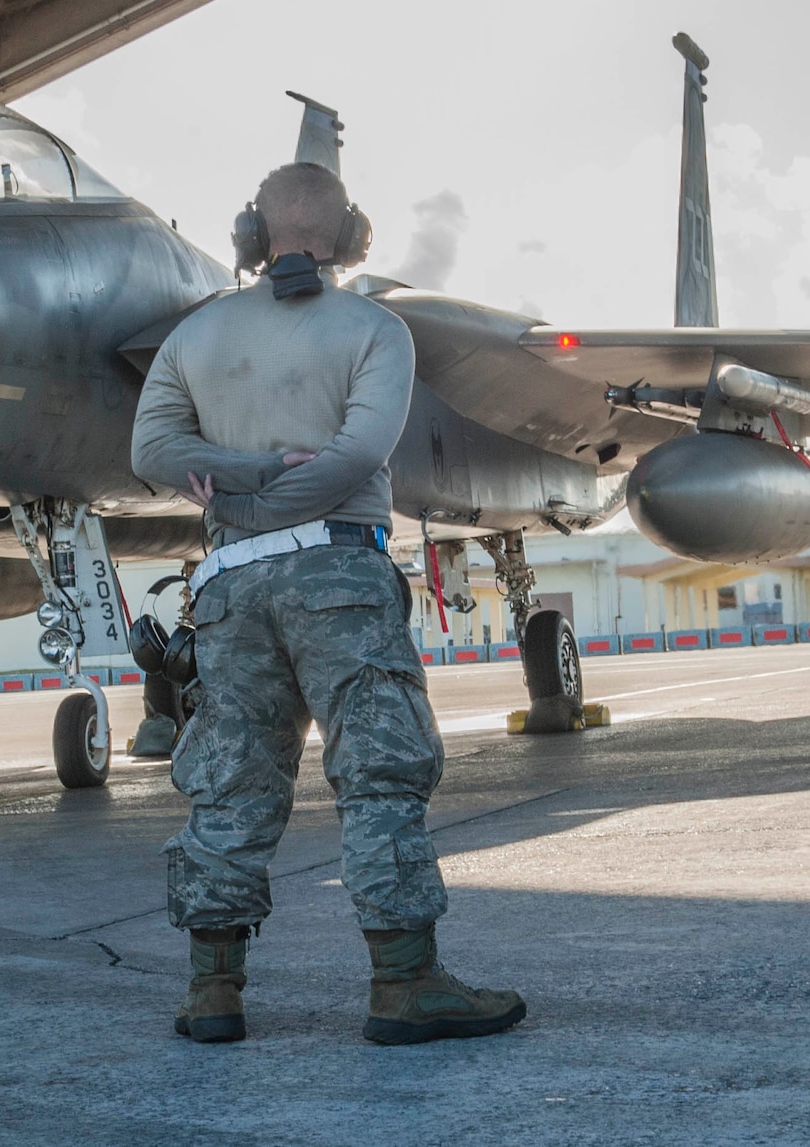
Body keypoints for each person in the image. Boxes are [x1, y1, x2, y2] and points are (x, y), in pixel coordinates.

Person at [130, 161, 525, 1046]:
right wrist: (279, 476)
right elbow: (357, 455)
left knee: (230, 781)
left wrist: (235, 488)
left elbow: (150, 446)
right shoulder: (376, 329)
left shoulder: (196, 335)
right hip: (338, 576)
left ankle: (213, 991)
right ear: (351, 238)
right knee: (379, 774)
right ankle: (404, 982)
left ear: (247, 234)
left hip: (230, 581)